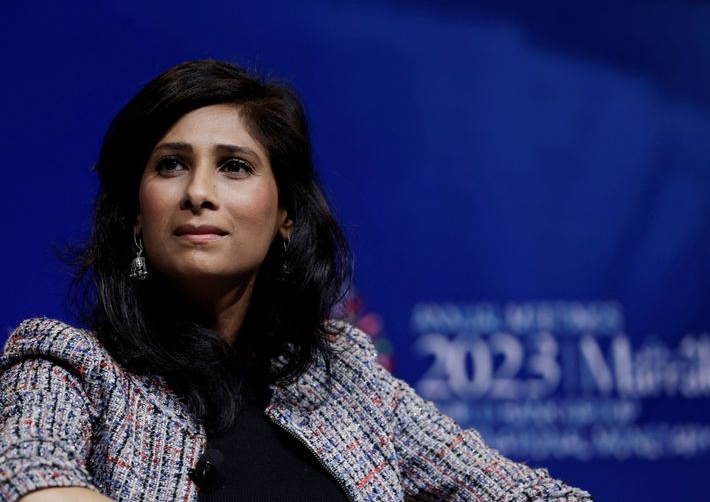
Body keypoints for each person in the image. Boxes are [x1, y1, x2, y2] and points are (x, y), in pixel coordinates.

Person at [0, 60, 592, 501]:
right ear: (136, 215)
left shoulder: (342, 375)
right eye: (171, 165)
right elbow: (31, 476)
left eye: (234, 167)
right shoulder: (66, 365)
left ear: (285, 216)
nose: (198, 193)